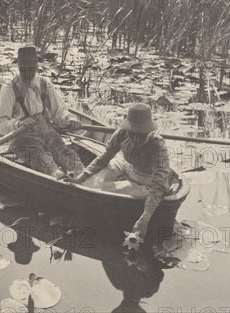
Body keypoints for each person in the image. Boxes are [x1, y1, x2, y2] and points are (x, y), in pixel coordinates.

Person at [70, 103, 174, 240]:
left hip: (148, 178)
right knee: (93, 181)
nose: (136, 139)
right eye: (133, 133)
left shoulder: (158, 145)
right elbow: (105, 157)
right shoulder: (122, 132)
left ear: (149, 131)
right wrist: (81, 176)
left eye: (141, 135)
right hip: (127, 165)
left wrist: (144, 219)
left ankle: (123, 189)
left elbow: (159, 184)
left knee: (114, 191)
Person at [0, 46, 84, 178]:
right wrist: (18, 124)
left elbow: (59, 111)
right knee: (43, 159)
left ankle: (82, 176)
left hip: (47, 132)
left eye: (31, 69)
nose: (27, 73)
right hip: (23, 137)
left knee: (67, 154)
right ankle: (59, 178)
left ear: (37, 67)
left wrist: (69, 119)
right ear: (18, 68)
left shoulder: (45, 84)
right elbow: (0, 124)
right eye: (23, 69)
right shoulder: (9, 88)